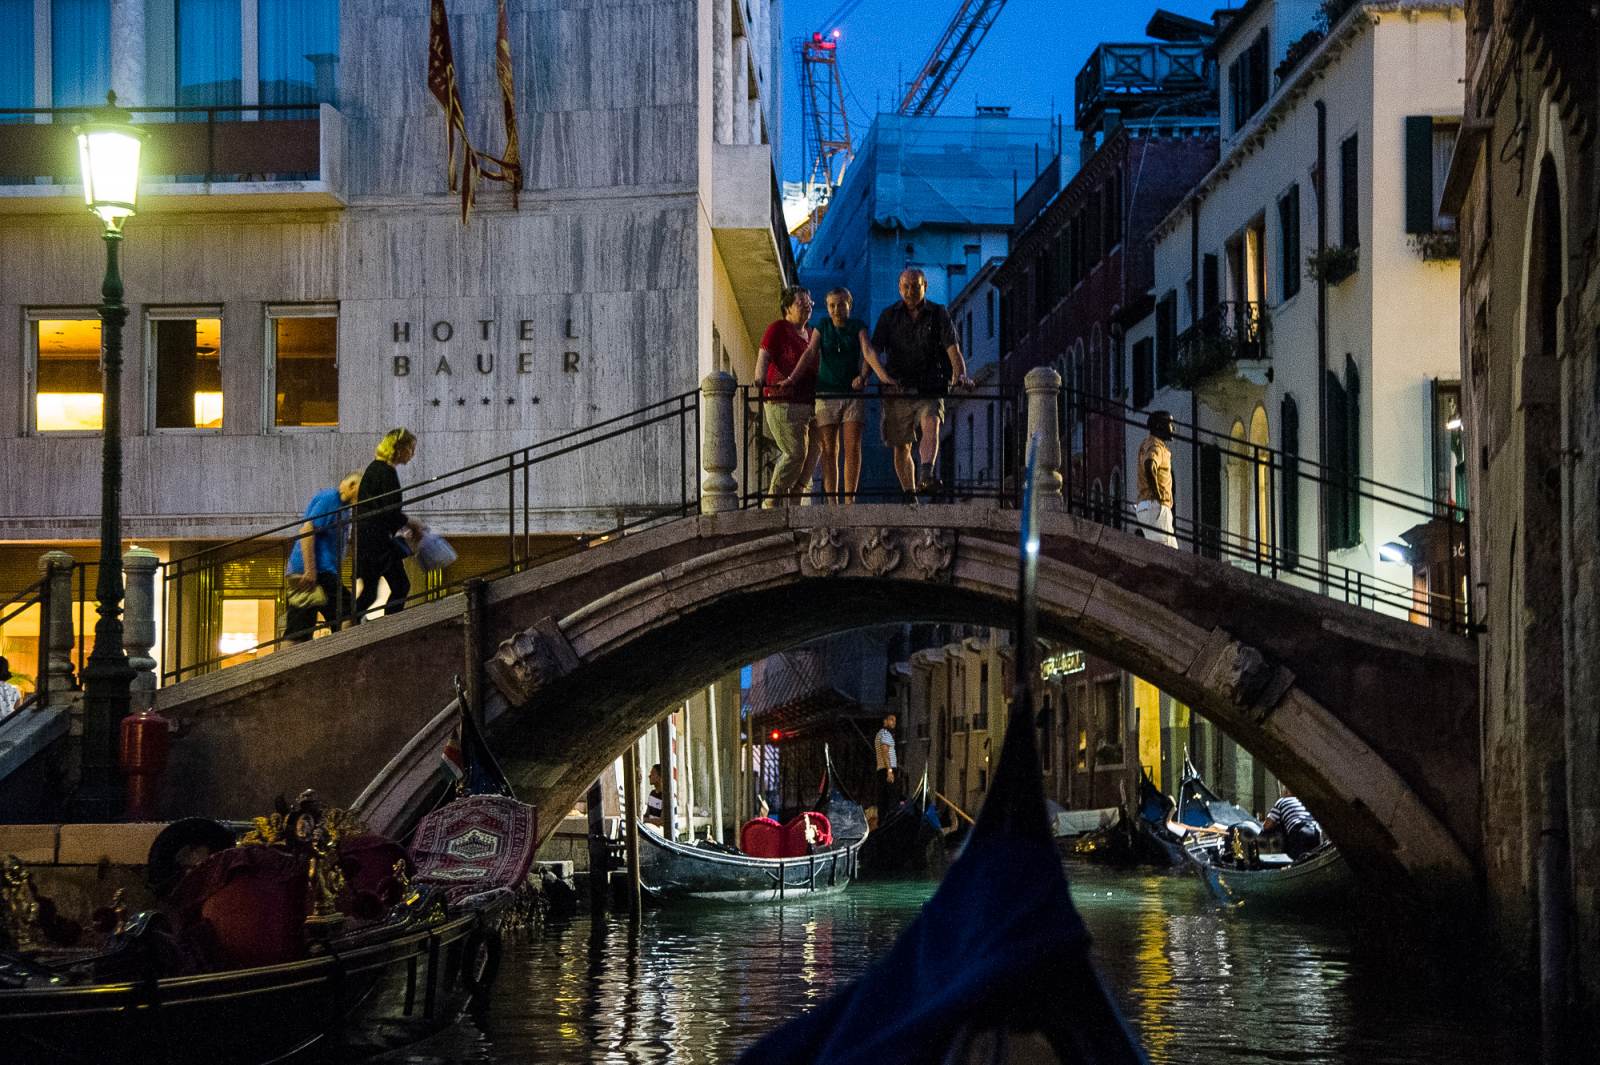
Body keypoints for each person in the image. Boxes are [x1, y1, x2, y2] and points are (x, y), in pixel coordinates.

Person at [783, 287, 895, 503]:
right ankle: (832, 502)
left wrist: (881, 377)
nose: (836, 309)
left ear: (849, 305)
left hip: (852, 394)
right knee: (829, 449)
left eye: (841, 304)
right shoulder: (823, 326)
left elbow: (868, 352)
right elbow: (810, 353)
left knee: (852, 447)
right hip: (826, 394)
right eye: (832, 305)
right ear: (827, 307)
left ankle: (849, 501)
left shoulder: (857, 326)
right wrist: (791, 379)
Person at [870, 268, 971, 502]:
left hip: (930, 384)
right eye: (906, 287)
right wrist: (873, 376)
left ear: (925, 286)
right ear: (899, 288)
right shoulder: (889, 316)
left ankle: (926, 474)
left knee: (931, 422)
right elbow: (873, 350)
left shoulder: (938, 313)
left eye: (915, 286)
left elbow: (953, 349)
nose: (910, 291)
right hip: (899, 386)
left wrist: (961, 375)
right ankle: (910, 493)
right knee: (901, 445)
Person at [754, 286, 817, 507]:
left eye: (809, 302)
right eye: (801, 302)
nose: (807, 306)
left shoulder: (812, 334)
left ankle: (797, 494)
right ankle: (773, 498)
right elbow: (764, 355)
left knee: (814, 450)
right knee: (795, 452)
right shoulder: (779, 328)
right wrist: (759, 378)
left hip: (809, 401)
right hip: (782, 399)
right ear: (788, 308)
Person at [354, 428, 425, 618]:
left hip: (370, 540)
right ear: (399, 448)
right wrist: (411, 523)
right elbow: (390, 510)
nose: (412, 453)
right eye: (410, 448)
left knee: (371, 593)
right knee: (400, 586)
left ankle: (348, 625)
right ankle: (387, 627)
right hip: (377, 542)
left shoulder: (376, 469)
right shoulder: (386, 472)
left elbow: (385, 510)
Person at [284, 472, 361, 643]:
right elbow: (307, 530)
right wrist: (310, 570)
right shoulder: (331, 499)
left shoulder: (344, 508)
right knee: (349, 613)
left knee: (299, 630)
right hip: (318, 572)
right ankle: (344, 653)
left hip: (314, 571)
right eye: (362, 492)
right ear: (352, 485)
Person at [1135, 410, 1179, 548]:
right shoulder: (1156, 446)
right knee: (1168, 553)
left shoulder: (1146, 443)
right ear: (1160, 426)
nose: (1173, 428)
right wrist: (1158, 496)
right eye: (1170, 424)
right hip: (1155, 506)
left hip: (1146, 506)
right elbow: (1150, 465)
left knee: (1168, 550)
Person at [1262, 787, 1323, 860]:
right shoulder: (1304, 801)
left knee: (1297, 862)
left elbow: (1267, 826)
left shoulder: (1282, 801)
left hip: (1300, 832)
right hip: (1316, 832)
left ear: (1286, 792)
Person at [875, 711, 900, 817]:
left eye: (895, 720)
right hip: (887, 769)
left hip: (882, 769)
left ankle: (883, 820)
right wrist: (889, 771)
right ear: (885, 721)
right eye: (891, 720)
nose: (894, 722)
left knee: (883, 799)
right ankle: (890, 820)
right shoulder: (886, 734)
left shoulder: (880, 734)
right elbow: (885, 751)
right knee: (891, 798)